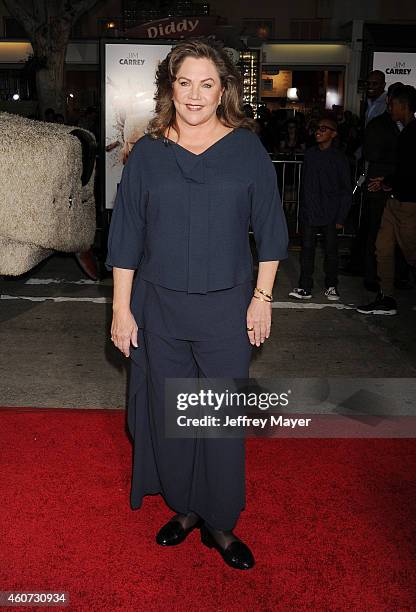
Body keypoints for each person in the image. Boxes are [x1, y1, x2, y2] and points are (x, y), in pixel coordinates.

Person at [105, 38, 289, 570]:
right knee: (172, 416)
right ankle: (185, 508)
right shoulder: (148, 154)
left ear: (223, 89)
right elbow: (126, 237)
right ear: (170, 87)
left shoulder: (246, 150)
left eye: (207, 83)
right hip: (158, 309)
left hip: (228, 311)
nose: (195, 94)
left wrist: (262, 298)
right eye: (184, 82)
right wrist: (121, 309)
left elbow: (272, 231)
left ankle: (220, 521)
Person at [357, 85, 416, 315]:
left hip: (408, 202)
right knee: (382, 248)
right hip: (394, 199)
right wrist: (386, 180)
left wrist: (387, 180)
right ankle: (386, 296)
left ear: (404, 105)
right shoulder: (404, 131)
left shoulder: (412, 133)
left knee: (411, 252)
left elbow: (409, 171)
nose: (389, 107)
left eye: (392, 104)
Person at [289, 116, 352, 301]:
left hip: (331, 214)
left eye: (324, 129)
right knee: (306, 251)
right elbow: (305, 185)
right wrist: (303, 210)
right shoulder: (309, 154)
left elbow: (346, 191)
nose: (319, 131)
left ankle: (331, 285)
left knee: (331, 252)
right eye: (318, 127)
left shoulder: (340, 158)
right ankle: (305, 287)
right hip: (310, 212)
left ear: (333, 134)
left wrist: (341, 217)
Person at [361, 82, 403, 291]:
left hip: (397, 189)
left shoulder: (405, 125)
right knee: (375, 233)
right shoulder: (378, 124)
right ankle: (372, 277)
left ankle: (394, 276)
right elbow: (371, 153)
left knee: (397, 234)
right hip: (378, 187)